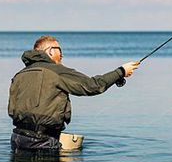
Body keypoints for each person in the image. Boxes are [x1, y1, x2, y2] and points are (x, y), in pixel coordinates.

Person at [8, 35, 140, 150]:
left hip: (17, 139)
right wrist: (121, 71)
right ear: (49, 51)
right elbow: (93, 86)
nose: (62, 55)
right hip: (43, 142)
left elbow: (12, 110)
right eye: (60, 50)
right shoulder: (56, 70)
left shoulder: (19, 75)